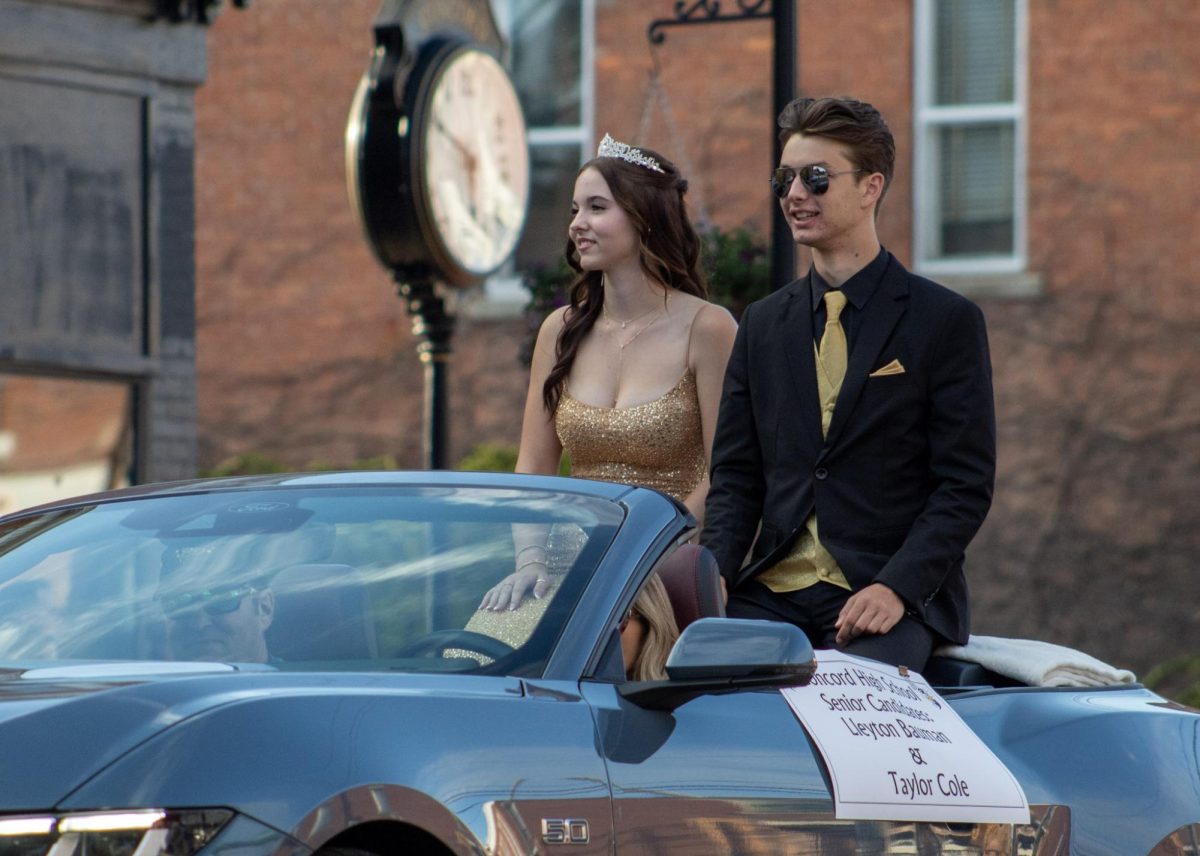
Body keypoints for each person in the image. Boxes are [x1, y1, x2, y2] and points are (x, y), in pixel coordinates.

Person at [702, 96, 996, 671]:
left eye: (816, 178)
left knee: (855, 709)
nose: (794, 195)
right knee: (702, 694)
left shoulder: (945, 321)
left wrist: (897, 588)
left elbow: (963, 486)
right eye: (784, 178)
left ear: (871, 187)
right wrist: (709, 583)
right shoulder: (762, 324)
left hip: (886, 596)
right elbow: (735, 480)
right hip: (770, 594)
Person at [480, 133, 737, 613]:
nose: (578, 224)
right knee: (479, 658)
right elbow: (533, 468)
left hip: (665, 561)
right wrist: (530, 561)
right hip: (563, 565)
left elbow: (726, 472)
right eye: (576, 209)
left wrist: (648, 552)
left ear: (645, 220)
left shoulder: (709, 327)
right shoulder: (561, 330)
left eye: (597, 207)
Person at [158, 544, 276, 663]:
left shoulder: (292, 680)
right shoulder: (143, 679)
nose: (199, 624)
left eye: (220, 600)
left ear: (264, 609)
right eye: (180, 603)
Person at [620, 573, 679, 681]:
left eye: (619, 619)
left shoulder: (683, 695)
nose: (599, 635)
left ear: (649, 622)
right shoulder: (588, 688)